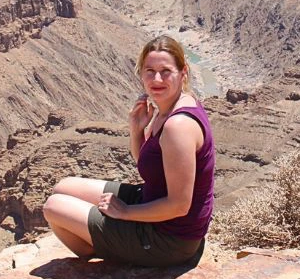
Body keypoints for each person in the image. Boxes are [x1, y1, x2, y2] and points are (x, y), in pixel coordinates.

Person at [43, 35, 215, 267]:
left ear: (183, 72)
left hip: (170, 240)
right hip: (153, 203)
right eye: (149, 70)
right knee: (63, 187)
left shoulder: (178, 125)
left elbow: (179, 205)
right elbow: (149, 169)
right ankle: (108, 238)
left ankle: (104, 248)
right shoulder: (167, 108)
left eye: (166, 71)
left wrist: (125, 212)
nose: (156, 79)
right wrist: (136, 130)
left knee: (53, 207)